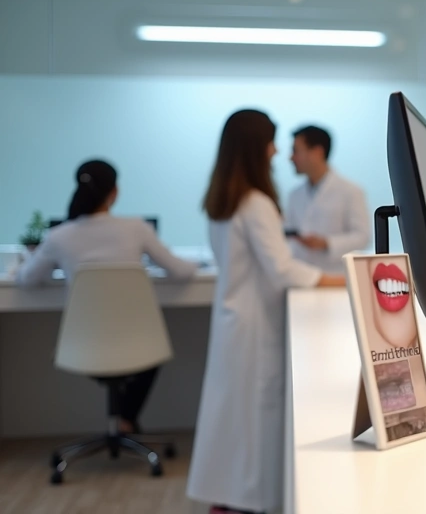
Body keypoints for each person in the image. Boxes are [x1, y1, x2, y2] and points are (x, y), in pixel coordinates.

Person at [187, 110, 345, 514]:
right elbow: (282, 269)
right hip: (256, 328)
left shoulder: (221, 200)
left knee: (231, 417)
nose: (276, 151)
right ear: (256, 146)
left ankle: (228, 497)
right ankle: (251, 501)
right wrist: (342, 281)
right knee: (255, 421)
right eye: (272, 141)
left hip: (232, 324)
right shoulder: (256, 203)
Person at [16, 159, 198, 434]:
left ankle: (124, 421)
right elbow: (181, 271)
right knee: (151, 344)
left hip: (81, 348)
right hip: (141, 346)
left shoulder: (59, 237)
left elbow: (26, 280)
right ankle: (126, 419)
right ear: (114, 192)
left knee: (133, 347)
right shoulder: (136, 229)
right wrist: (201, 261)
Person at [284, 125, 370, 275]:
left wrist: (326, 243)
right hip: (301, 276)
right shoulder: (294, 195)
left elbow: (363, 237)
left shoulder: (351, 191)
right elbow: (288, 238)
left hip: (336, 277)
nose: (291, 158)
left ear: (317, 152)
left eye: (296, 151)